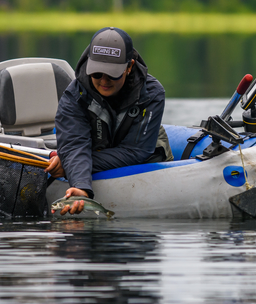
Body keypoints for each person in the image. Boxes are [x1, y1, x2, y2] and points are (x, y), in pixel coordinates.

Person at [45, 27, 168, 215]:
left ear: (129, 67)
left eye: (112, 74)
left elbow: (136, 152)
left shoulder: (153, 94)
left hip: (145, 155)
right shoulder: (74, 96)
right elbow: (75, 144)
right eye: (97, 73)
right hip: (94, 150)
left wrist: (70, 164)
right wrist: (81, 185)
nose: (104, 80)